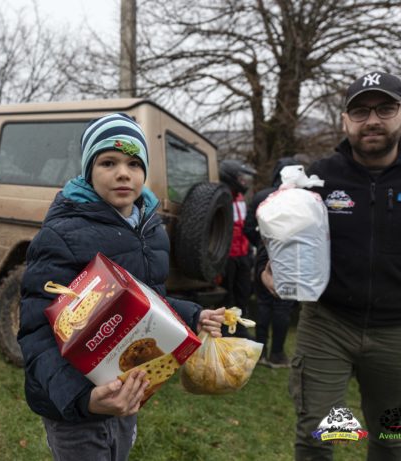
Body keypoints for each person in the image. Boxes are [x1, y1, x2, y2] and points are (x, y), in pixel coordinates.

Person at [260, 71, 401, 460]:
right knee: (318, 436)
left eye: (385, 109)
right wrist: (269, 267)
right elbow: (286, 234)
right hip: (327, 323)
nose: (372, 120)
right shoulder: (318, 175)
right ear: (344, 120)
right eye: (360, 111)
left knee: (390, 439)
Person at [17, 113, 225, 461]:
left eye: (133, 163)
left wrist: (193, 314)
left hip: (127, 389)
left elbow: (150, 301)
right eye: (108, 162)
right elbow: (37, 331)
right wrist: (82, 399)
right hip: (75, 403)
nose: (123, 173)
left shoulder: (151, 229)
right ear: (88, 170)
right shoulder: (63, 234)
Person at [245, 157, 301, 368]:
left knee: (263, 303)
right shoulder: (302, 198)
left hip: (264, 252)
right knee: (283, 305)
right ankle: (277, 354)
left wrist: (260, 244)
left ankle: (260, 352)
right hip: (291, 255)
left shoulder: (261, 196)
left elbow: (249, 227)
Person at [218, 159, 256, 338]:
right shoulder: (220, 197)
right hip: (227, 256)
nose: (244, 182)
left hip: (243, 254)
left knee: (243, 294)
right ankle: (226, 330)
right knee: (228, 296)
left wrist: (248, 252)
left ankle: (241, 329)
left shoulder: (240, 198)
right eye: (240, 178)